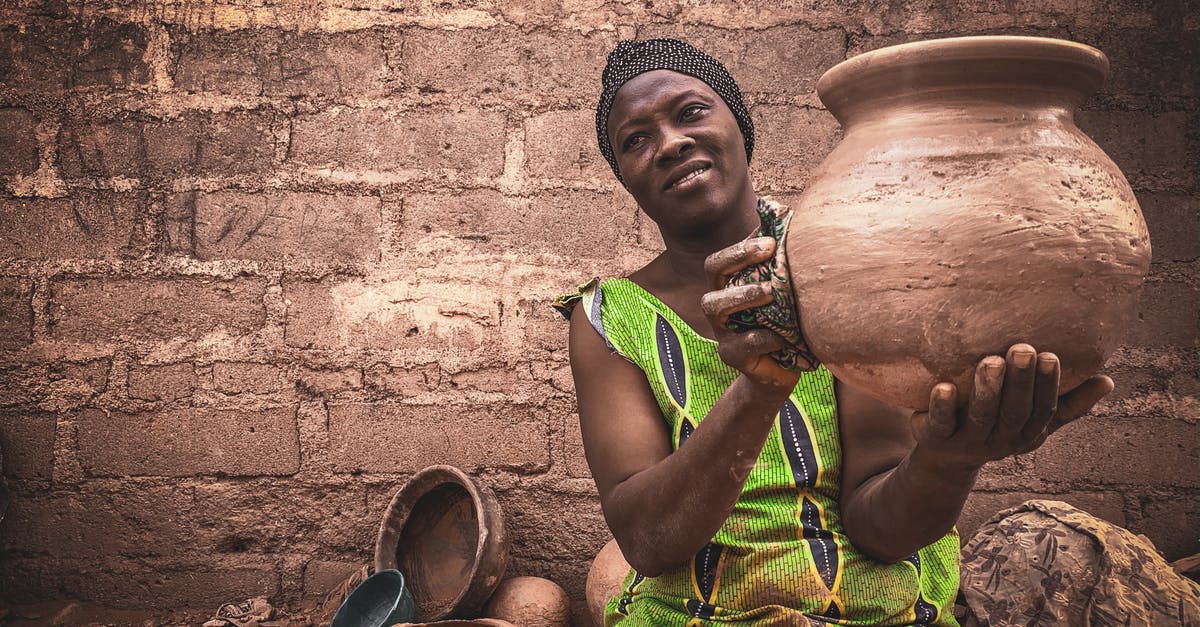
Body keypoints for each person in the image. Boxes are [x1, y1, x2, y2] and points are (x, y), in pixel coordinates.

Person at [554, 38, 1122, 625]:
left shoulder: (849, 271)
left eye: (691, 111)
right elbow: (648, 543)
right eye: (636, 140)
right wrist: (761, 389)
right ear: (623, 177)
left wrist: (948, 461)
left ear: (739, 125)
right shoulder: (607, 319)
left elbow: (881, 530)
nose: (670, 143)